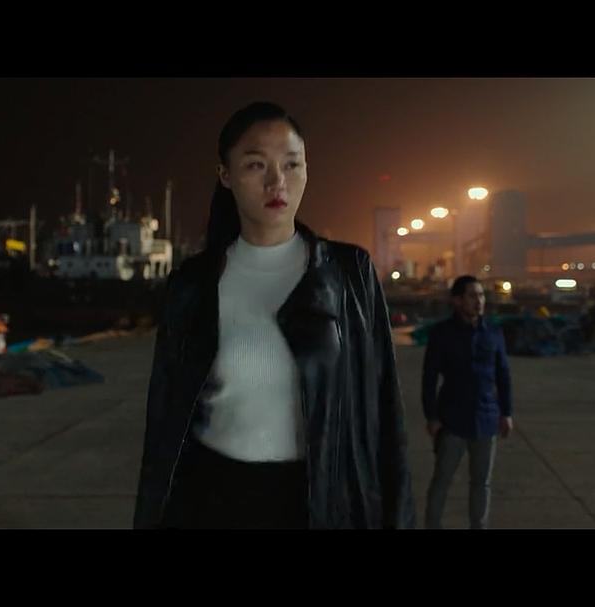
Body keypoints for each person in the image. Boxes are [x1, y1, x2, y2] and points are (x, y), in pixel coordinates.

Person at [133, 101, 414, 529]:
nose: (276, 181)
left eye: (291, 164)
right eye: (255, 165)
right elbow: (163, 425)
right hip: (212, 499)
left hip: (318, 501)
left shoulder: (347, 274)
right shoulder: (192, 285)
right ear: (225, 175)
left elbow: (385, 416)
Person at [422, 275, 513, 529]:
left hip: (486, 418)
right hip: (452, 419)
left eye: (481, 295)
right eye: (472, 296)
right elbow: (429, 378)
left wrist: (506, 412)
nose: (479, 301)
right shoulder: (442, 334)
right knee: (442, 480)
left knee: (481, 482)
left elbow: (503, 375)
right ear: (457, 301)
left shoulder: (493, 333)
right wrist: (431, 416)